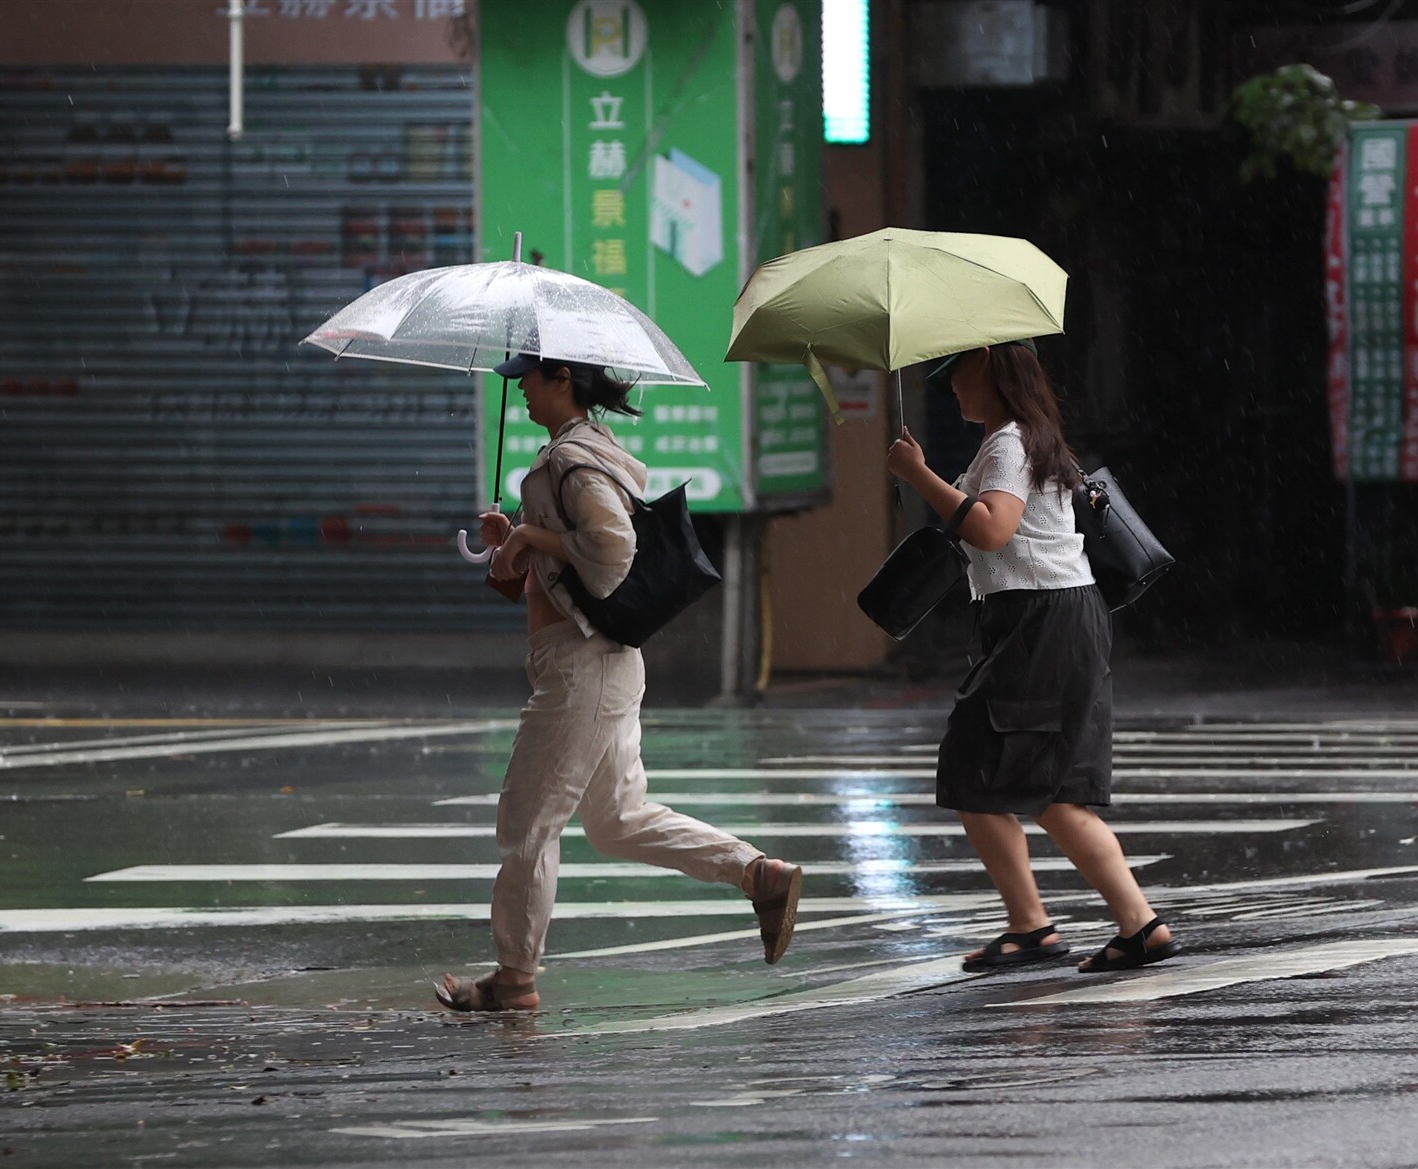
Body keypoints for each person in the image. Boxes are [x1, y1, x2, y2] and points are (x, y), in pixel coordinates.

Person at [435, 353, 802, 1011]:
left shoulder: (572, 463)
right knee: (615, 821)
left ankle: (515, 978)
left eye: (528, 377)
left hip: (583, 668)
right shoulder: (575, 456)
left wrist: (534, 536)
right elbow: (553, 565)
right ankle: (758, 874)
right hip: (596, 662)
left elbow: (610, 547)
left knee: (528, 822)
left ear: (562, 382)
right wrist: (513, 540)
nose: (518, 388)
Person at [885, 339, 1182, 974]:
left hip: (1038, 621)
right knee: (1039, 785)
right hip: (1052, 617)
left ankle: (1054, 925)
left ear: (986, 362)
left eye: (954, 370)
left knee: (988, 774)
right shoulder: (1024, 438)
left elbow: (991, 527)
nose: (950, 386)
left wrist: (917, 475)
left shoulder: (1009, 443)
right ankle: (1116, 925)